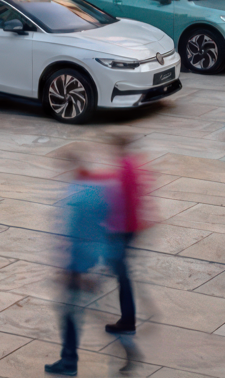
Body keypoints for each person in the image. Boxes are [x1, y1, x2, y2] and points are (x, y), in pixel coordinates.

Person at [47, 146, 131, 376]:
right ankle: (72, 359)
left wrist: (69, 270)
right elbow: (112, 225)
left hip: (80, 267)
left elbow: (73, 235)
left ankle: (70, 362)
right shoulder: (100, 189)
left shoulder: (76, 195)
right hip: (97, 261)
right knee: (84, 312)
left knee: (73, 312)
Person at [102, 131, 147, 344]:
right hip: (130, 227)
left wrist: (111, 227)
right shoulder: (132, 164)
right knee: (119, 269)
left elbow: (123, 202)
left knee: (121, 272)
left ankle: (128, 320)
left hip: (124, 229)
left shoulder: (125, 169)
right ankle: (127, 318)